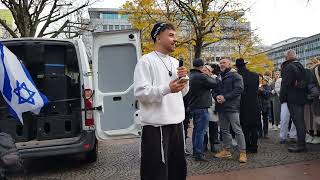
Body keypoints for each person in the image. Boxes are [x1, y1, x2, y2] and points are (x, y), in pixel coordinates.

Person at [134, 22, 189, 180]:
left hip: (177, 125)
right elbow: (140, 92)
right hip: (156, 127)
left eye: (175, 36)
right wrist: (167, 88)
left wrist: (184, 81)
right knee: (156, 172)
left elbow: (182, 93)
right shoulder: (146, 61)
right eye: (171, 35)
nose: (175, 39)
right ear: (158, 37)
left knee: (177, 170)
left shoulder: (175, 62)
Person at [213, 58, 247, 163]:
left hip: (232, 107)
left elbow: (239, 89)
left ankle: (242, 152)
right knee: (224, 130)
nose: (222, 64)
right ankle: (226, 150)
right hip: (221, 107)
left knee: (237, 129)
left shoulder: (235, 75)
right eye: (221, 63)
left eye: (224, 62)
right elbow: (214, 90)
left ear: (229, 64)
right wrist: (217, 96)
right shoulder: (219, 76)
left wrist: (225, 97)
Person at [188, 59, 217, 161]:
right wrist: (209, 75)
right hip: (201, 107)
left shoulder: (190, 75)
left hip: (193, 106)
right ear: (202, 66)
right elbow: (214, 83)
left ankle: (196, 151)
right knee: (201, 131)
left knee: (196, 131)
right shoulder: (201, 76)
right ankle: (199, 154)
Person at [280, 49, 307, 153]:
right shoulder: (300, 65)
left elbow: (285, 84)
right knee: (300, 121)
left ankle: (301, 145)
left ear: (287, 57)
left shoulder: (288, 67)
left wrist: (282, 98)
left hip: (293, 98)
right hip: (300, 97)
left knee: (298, 121)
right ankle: (302, 144)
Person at [235, 58, 260, 153]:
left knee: (244, 126)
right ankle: (254, 146)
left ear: (237, 67)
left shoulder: (237, 76)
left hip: (242, 104)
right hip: (254, 103)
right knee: (254, 126)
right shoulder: (255, 75)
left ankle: (247, 145)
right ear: (245, 65)